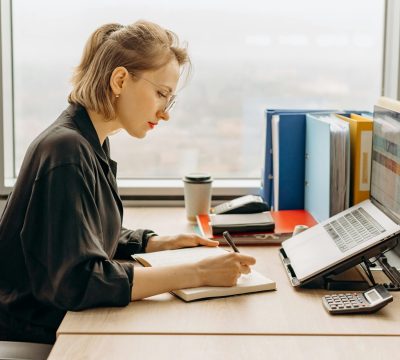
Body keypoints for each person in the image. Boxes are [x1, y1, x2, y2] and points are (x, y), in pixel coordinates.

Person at [0, 20, 256, 344]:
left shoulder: (90, 141)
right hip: (32, 336)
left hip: (54, 325)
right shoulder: (66, 150)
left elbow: (76, 234)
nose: (165, 113)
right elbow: (79, 282)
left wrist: (152, 243)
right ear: (120, 79)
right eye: (161, 93)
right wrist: (198, 273)